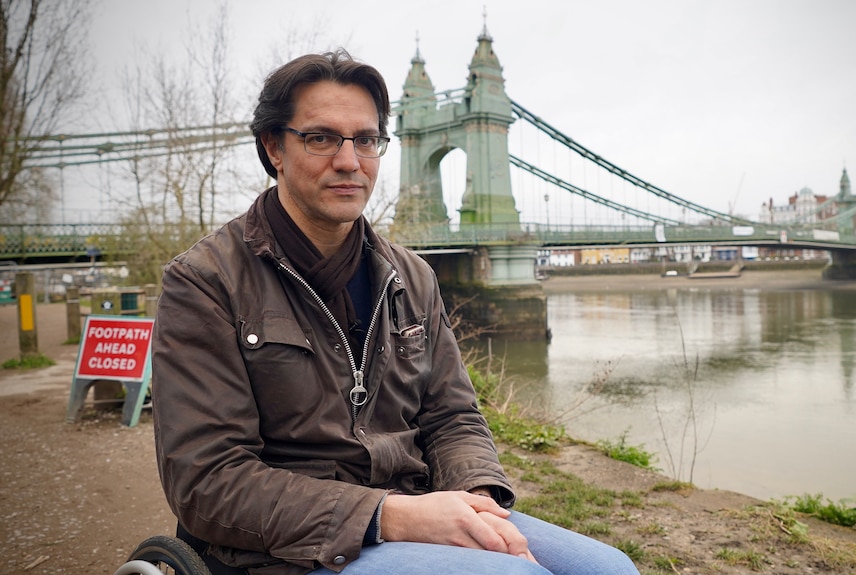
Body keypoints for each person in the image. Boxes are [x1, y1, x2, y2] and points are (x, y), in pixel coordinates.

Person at [152, 49, 640, 575]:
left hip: (416, 504)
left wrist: (475, 499)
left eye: (366, 140)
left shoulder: (413, 277)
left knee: (608, 568)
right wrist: (391, 516)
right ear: (273, 146)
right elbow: (208, 482)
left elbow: (452, 416)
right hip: (286, 548)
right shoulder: (203, 282)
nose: (349, 161)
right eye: (320, 138)